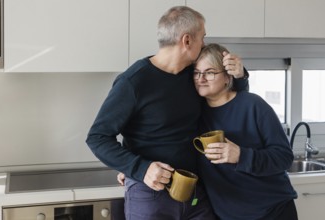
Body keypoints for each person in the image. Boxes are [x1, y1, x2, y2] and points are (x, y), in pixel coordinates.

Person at [86, 6, 248, 220]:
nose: (204, 44)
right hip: (150, 193)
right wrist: (139, 168)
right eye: (203, 38)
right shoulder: (133, 82)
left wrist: (240, 75)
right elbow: (97, 138)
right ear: (187, 41)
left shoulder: (194, 76)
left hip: (195, 192)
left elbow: (228, 101)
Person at [193, 43, 298, 220]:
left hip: (273, 211)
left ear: (228, 77)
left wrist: (241, 156)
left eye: (209, 72)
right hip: (229, 216)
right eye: (196, 72)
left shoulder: (253, 105)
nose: (201, 78)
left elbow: (284, 157)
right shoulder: (195, 114)